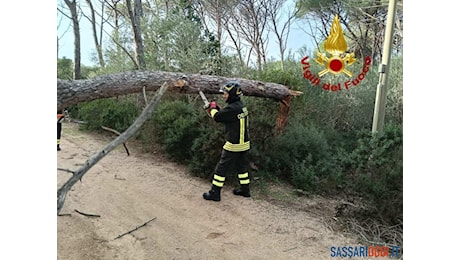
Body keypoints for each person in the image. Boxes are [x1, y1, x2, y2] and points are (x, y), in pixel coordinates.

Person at [203, 81, 251, 202]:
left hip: (233, 145)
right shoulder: (241, 105)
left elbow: (217, 117)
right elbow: (228, 115)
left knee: (221, 169)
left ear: (232, 94)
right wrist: (218, 108)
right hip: (244, 144)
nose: (224, 95)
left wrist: (212, 107)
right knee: (242, 168)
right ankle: (245, 190)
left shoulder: (232, 109)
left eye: (225, 93)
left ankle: (215, 193)